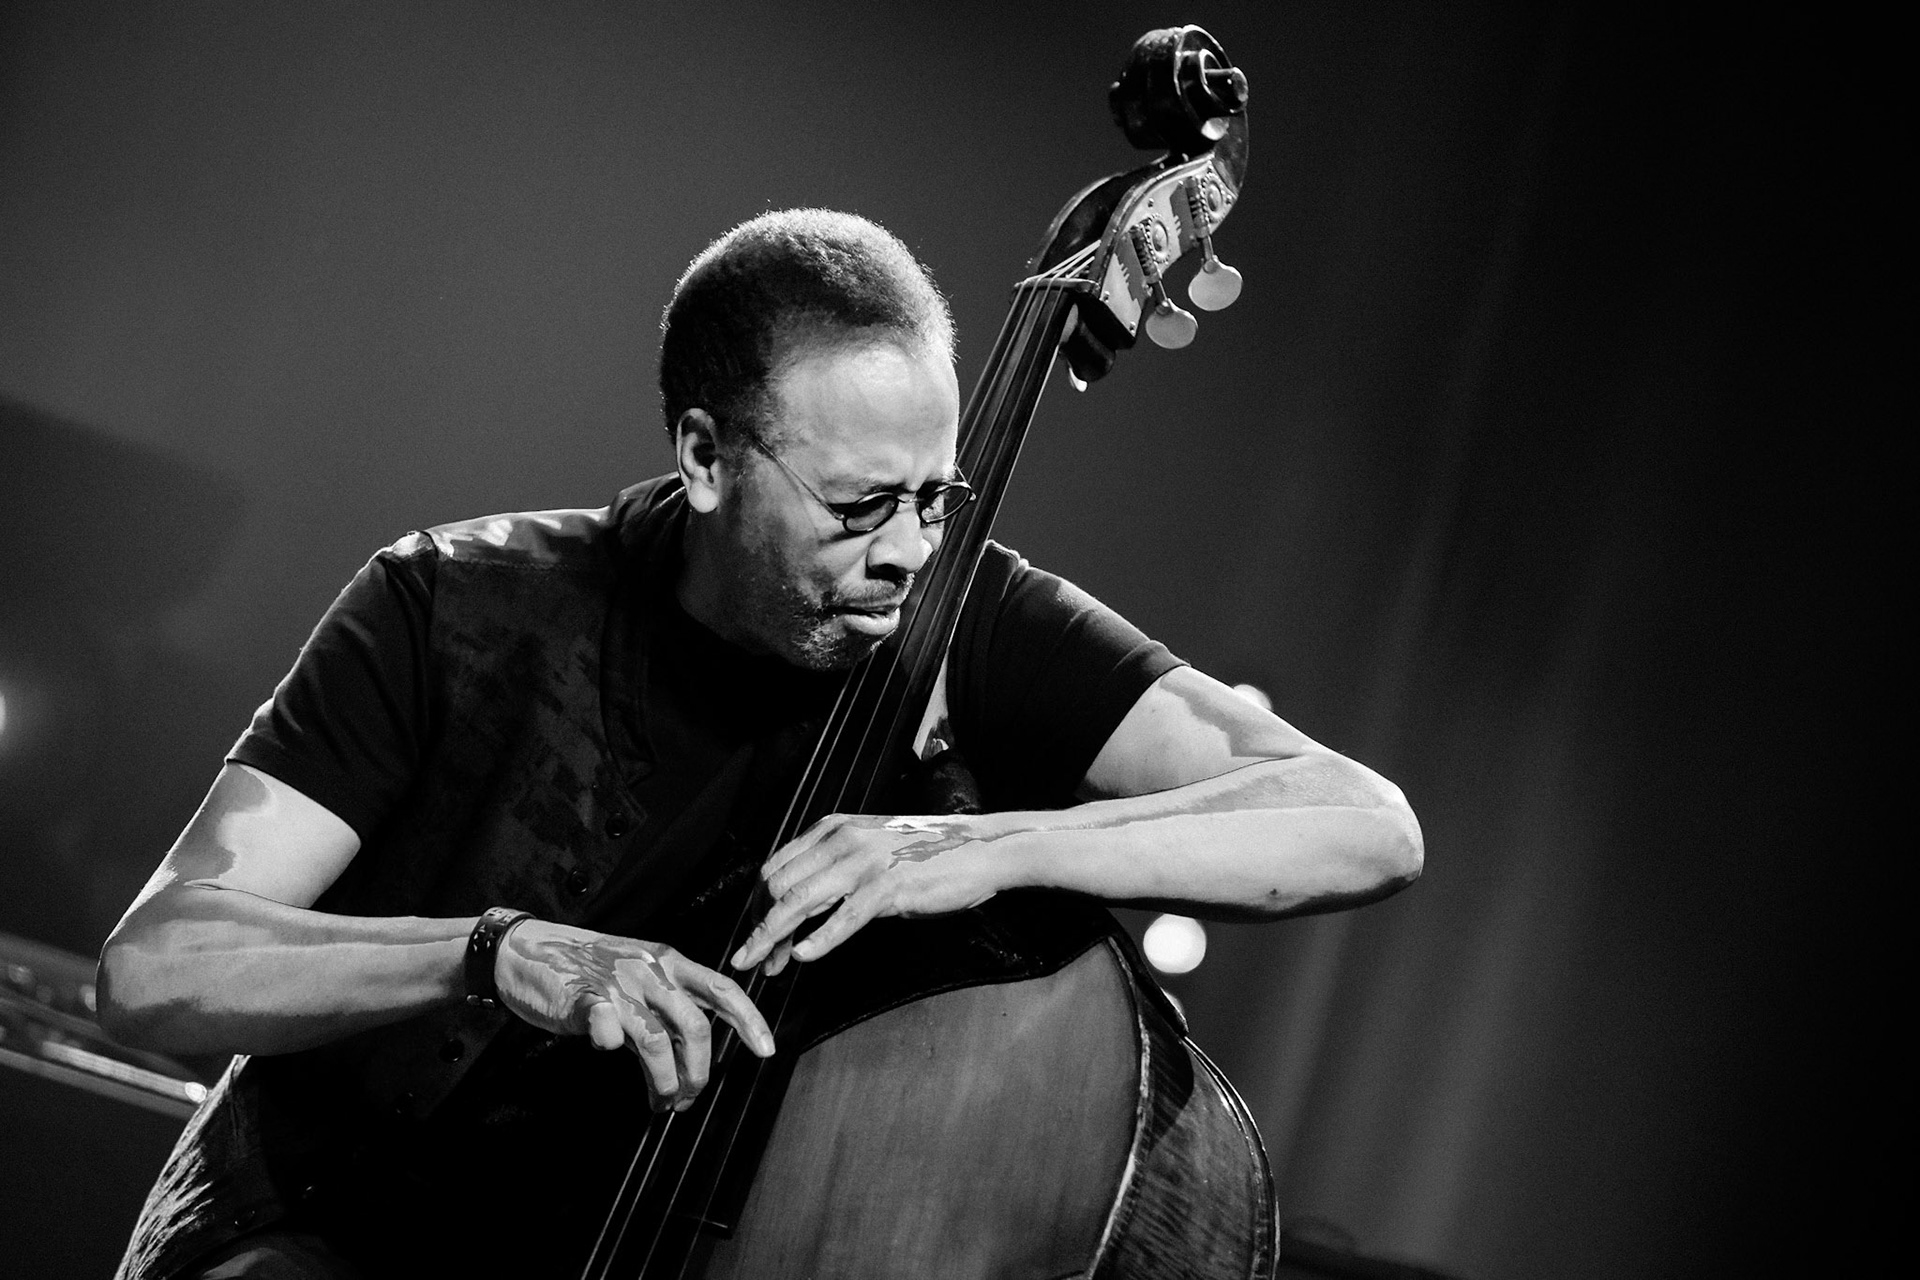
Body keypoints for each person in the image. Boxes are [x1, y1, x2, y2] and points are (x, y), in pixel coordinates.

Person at [98, 209, 1423, 1279]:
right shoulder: (453, 602)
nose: (907, 550)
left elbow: (1361, 823)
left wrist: (982, 846)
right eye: (858, 506)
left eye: (935, 497)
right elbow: (160, 964)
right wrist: (493, 957)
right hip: (335, 1229)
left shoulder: (970, 615)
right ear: (705, 455)